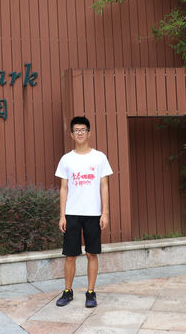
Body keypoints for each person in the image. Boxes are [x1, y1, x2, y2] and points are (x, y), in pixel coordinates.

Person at [54, 116, 112, 308]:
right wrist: (62, 215)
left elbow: (104, 186)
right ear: (71, 134)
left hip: (93, 214)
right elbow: (64, 188)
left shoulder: (99, 157)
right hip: (72, 213)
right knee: (70, 255)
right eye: (76, 130)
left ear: (89, 133)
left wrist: (105, 213)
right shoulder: (66, 159)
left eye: (83, 129)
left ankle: (90, 292)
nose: (80, 133)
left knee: (91, 254)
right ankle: (68, 291)